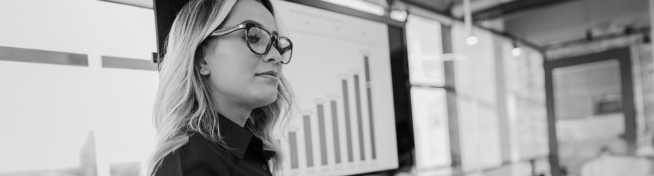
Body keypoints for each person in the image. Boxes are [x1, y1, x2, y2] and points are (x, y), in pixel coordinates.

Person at [141, 0, 294, 175]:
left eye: (276, 44)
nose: (276, 56)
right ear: (201, 58)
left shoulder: (247, 152)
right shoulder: (191, 162)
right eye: (254, 37)